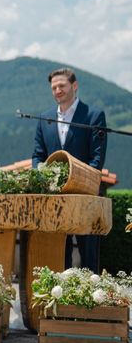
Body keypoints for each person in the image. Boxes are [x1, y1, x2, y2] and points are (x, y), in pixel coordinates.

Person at [32, 67, 107, 273]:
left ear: (74, 86)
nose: (57, 90)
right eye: (54, 87)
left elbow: (97, 158)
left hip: (85, 199)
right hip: (55, 201)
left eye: (62, 85)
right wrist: (41, 177)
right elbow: (38, 155)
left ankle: (91, 300)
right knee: (57, 256)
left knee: (88, 258)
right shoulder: (44, 118)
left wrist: (83, 184)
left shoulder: (93, 116)